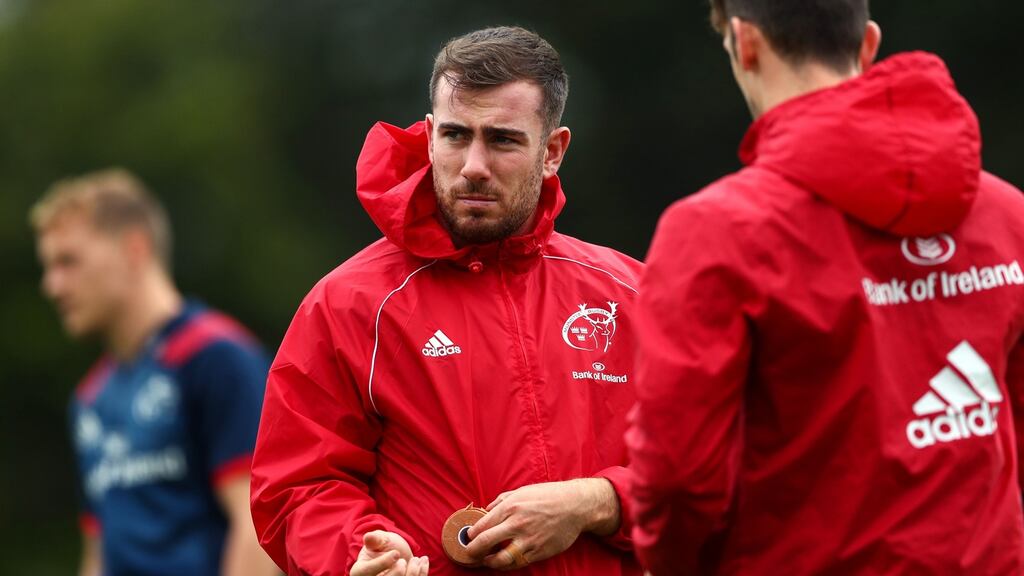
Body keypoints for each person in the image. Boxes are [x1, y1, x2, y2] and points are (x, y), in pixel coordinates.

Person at [626, 0, 1024, 574]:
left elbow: (679, 474)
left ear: (745, 42)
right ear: (868, 43)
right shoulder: (1006, 214)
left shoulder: (716, 232)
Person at [250, 26, 644, 576]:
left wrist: (596, 502)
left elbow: (715, 467)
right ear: (431, 137)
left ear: (553, 151)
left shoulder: (634, 297)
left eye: (503, 139)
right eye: (457, 136)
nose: (474, 165)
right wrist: (358, 552)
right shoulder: (349, 305)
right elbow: (297, 485)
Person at [31, 169, 281, 576]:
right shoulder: (90, 398)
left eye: (68, 262)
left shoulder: (216, 358)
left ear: (134, 249)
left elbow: (258, 524)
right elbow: (99, 552)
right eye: (48, 267)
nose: (52, 285)